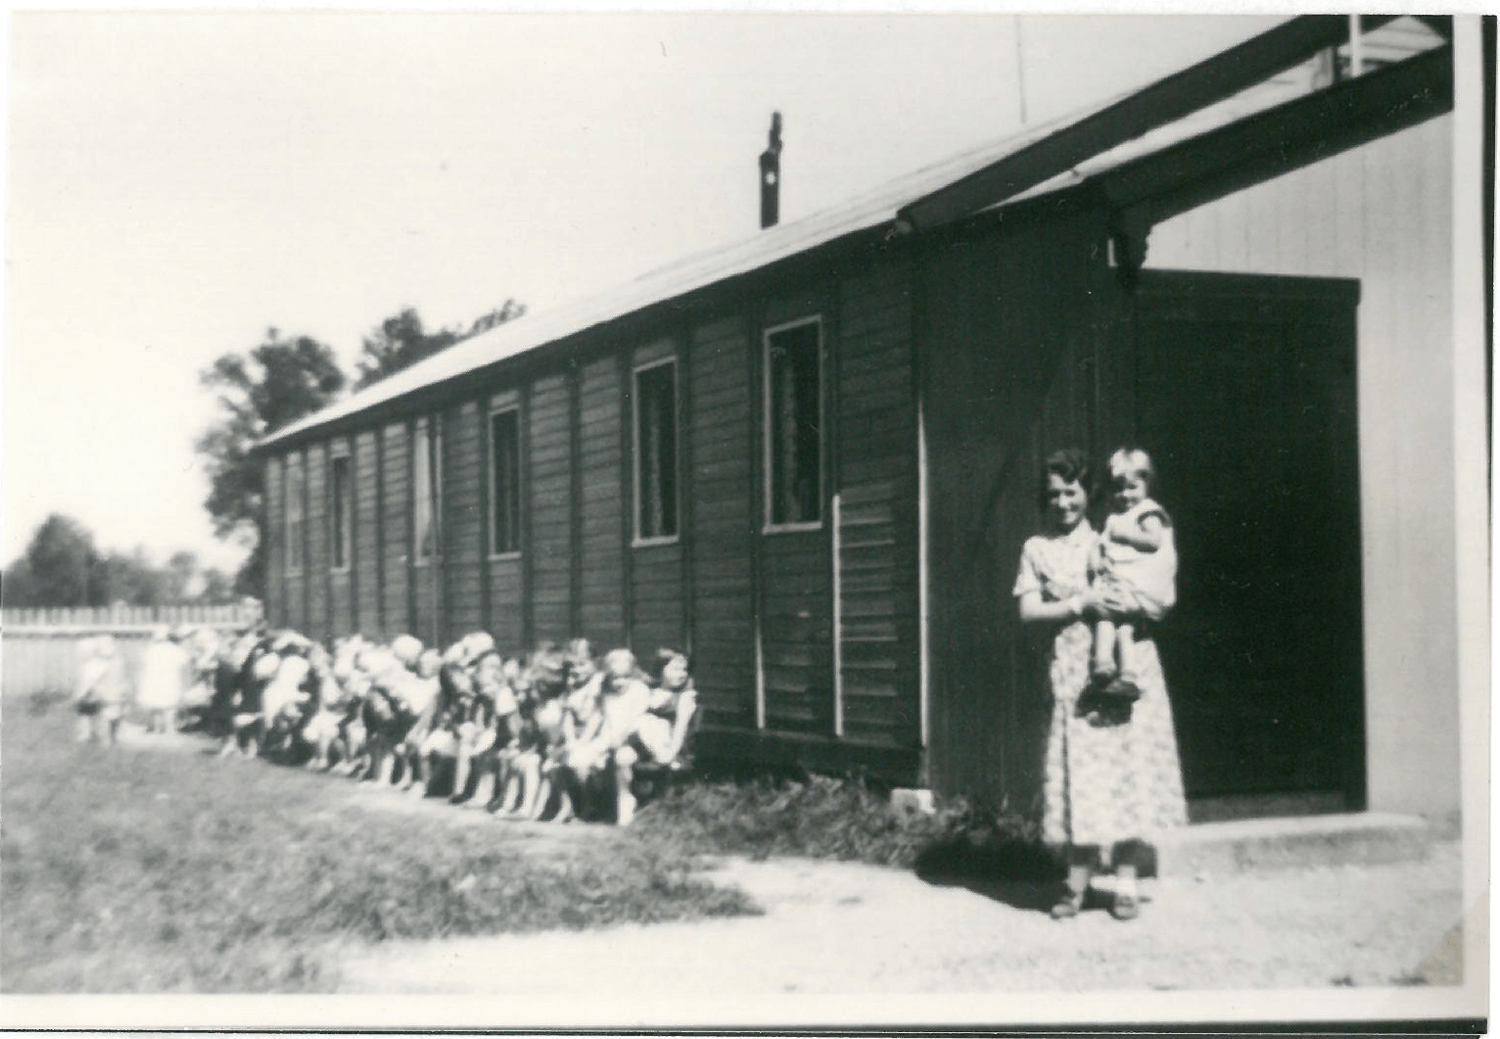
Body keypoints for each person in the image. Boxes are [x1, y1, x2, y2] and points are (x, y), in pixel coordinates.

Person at [1013, 448, 1187, 922]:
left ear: (1089, 493)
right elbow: (1028, 611)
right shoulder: (1037, 548)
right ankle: (1077, 881)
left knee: (1127, 766)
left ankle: (1127, 881)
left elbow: (1155, 580)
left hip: (1130, 665)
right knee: (1083, 773)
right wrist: (1080, 602)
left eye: (1071, 492)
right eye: (1054, 495)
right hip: (1074, 670)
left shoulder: (1113, 533)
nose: (1063, 503)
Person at [1085, 447, 1178, 718]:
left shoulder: (1149, 512)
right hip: (1121, 586)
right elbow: (1100, 547)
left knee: (1114, 620)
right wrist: (1098, 560)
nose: (1124, 496)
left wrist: (1123, 534)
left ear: (1147, 485)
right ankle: (1119, 672)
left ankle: (1114, 667)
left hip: (1139, 586)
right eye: (1117, 489)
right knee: (1118, 626)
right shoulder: (1116, 518)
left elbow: (1153, 541)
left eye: (1132, 487)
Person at [137, 626, 191, 734]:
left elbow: (144, 663)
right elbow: (184, 662)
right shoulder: (174, 649)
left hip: (155, 679)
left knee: (157, 705)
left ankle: (157, 728)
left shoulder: (151, 649)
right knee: (169, 706)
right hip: (168, 679)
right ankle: (169, 728)